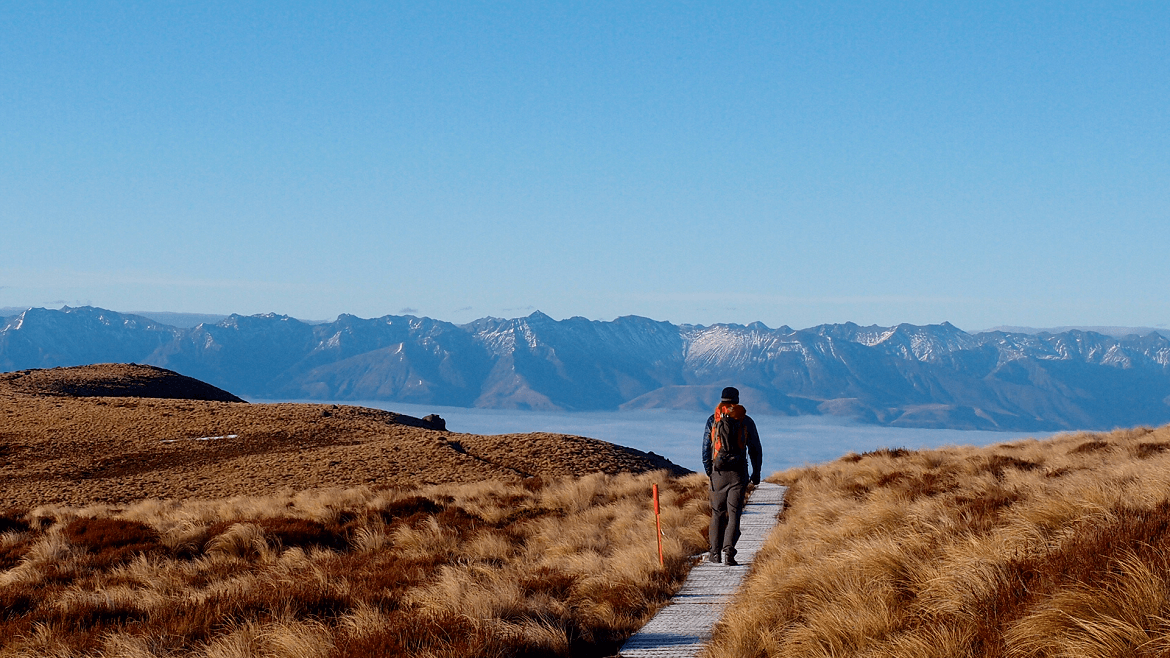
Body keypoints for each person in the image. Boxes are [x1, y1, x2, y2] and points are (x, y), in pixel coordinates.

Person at [701, 386, 762, 566]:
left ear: (722, 399)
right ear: (737, 400)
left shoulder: (713, 420)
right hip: (738, 473)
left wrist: (710, 471)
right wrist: (756, 472)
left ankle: (714, 554)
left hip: (718, 472)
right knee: (734, 514)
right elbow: (755, 449)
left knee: (717, 513)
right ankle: (729, 553)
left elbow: (706, 448)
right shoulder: (746, 420)